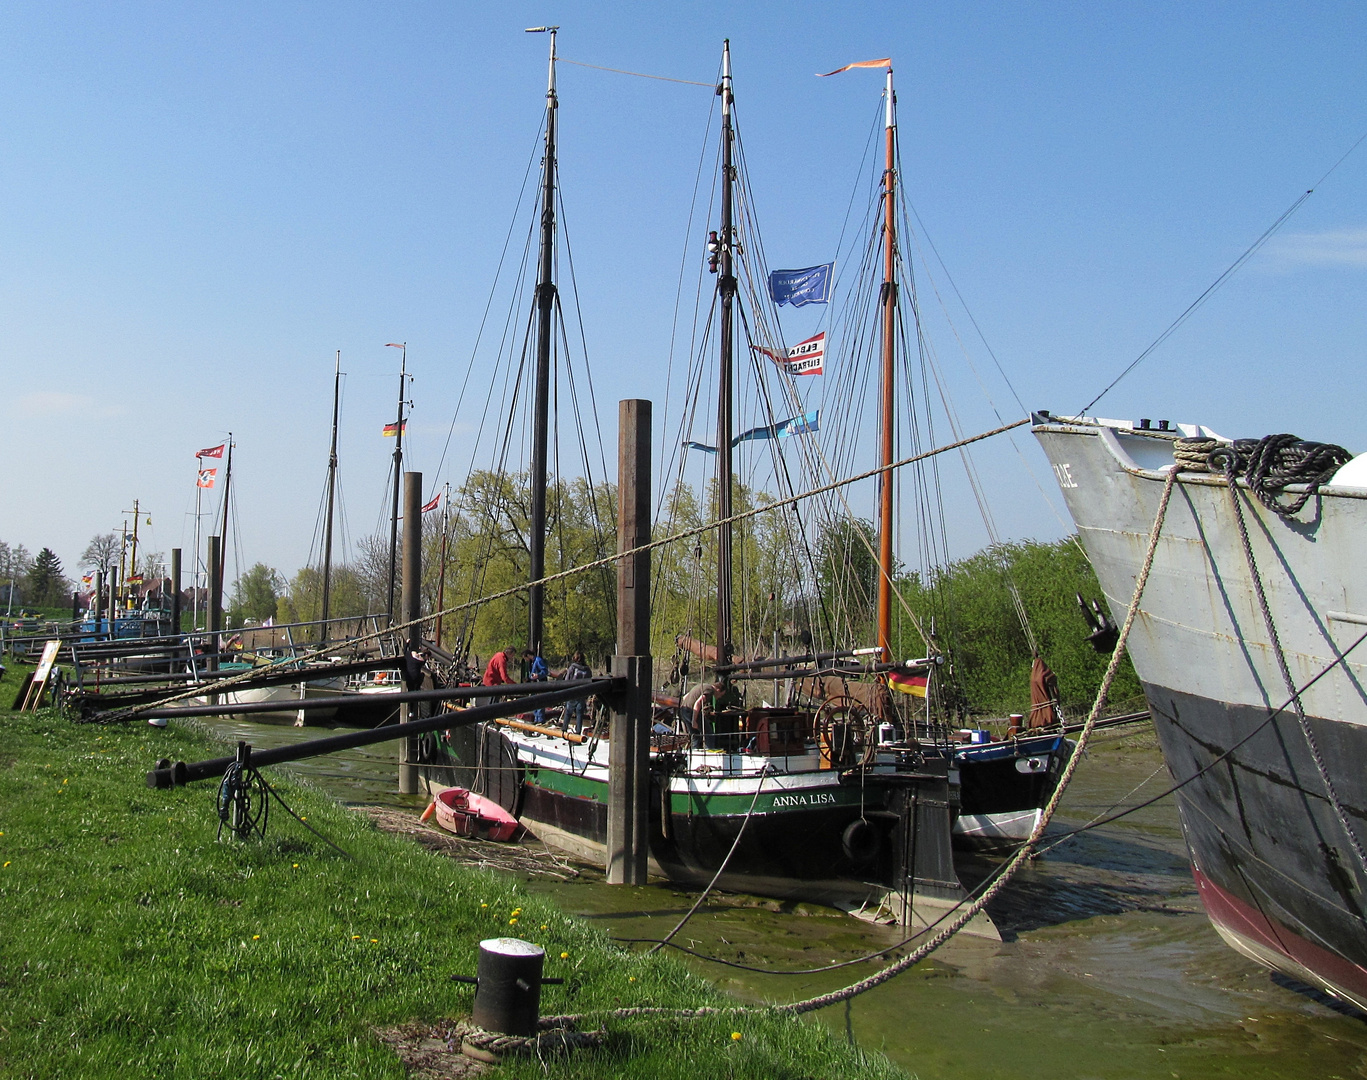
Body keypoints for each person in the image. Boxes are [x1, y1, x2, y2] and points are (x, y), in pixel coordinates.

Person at [681, 678, 724, 750]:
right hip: (691, 711)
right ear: (718, 690)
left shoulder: (703, 686)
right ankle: (709, 751)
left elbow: (685, 697)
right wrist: (694, 720)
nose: (720, 697)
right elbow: (698, 703)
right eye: (721, 695)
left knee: (695, 736)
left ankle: (694, 753)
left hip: (683, 710)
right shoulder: (710, 690)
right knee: (709, 733)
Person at [561, 650, 591, 734]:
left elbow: (567, 680)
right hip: (582, 693)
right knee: (579, 714)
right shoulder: (587, 669)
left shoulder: (572, 667)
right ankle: (578, 732)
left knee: (568, 712)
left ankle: (564, 729)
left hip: (572, 692)